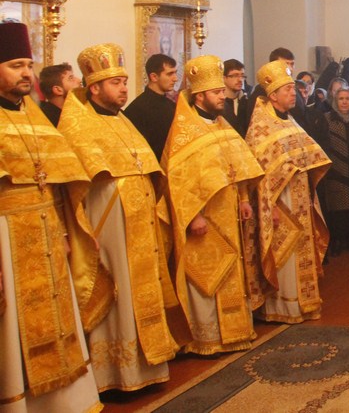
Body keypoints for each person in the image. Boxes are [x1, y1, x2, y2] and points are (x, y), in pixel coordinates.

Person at [59, 42, 185, 392]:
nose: (124, 89)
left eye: (125, 81)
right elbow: (74, 189)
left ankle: (146, 367)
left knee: (140, 291)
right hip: (108, 228)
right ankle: (114, 373)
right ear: (94, 87)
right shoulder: (78, 126)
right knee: (119, 292)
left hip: (138, 226)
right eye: (115, 83)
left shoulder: (123, 121)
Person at [0, 22, 104, 412]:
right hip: (7, 235)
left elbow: (58, 182)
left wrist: (64, 232)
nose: (26, 73)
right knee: (14, 327)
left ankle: (64, 403)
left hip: (46, 230)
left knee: (59, 317)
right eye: (15, 66)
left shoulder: (34, 116)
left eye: (29, 65)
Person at [161, 55, 264, 355]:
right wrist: (194, 216)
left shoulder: (222, 125)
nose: (222, 96)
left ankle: (235, 331)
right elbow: (179, 181)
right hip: (204, 219)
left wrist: (243, 199)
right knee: (206, 275)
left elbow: (238, 166)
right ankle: (206, 338)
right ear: (200, 95)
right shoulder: (184, 133)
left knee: (231, 270)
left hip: (229, 213)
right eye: (217, 92)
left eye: (222, 91)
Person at [246, 60, 330, 323]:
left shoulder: (290, 121)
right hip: (279, 204)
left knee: (301, 251)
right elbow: (260, 175)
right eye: (288, 90)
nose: (294, 93)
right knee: (285, 254)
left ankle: (305, 303)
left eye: (293, 89)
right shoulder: (261, 128)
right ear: (273, 95)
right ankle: (283, 307)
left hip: (301, 199)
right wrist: (269, 207)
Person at [315, 87, 349, 256]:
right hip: (336, 171)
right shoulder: (327, 119)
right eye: (341, 99)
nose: (344, 102)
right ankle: (338, 240)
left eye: (348, 99)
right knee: (338, 209)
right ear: (335, 101)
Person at [123, 53, 177, 160]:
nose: (175, 78)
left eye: (175, 73)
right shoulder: (136, 109)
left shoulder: (172, 106)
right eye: (170, 74)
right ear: (154, 77)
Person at [248, 47, 307, 124]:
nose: (290, 69)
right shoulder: (261, 93)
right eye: (285, 64)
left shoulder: (295, 89)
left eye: (292, 64)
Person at [37, 62, 81, 126]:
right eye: (71, 78)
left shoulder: (77, 112)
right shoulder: (46, 121)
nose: (79, 80)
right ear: (58, 90)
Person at [222, 58, 250, 137]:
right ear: (224, 78)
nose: (240, 80)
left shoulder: (248, 100)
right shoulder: (218, 102)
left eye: (242, 76)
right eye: (235, 75)